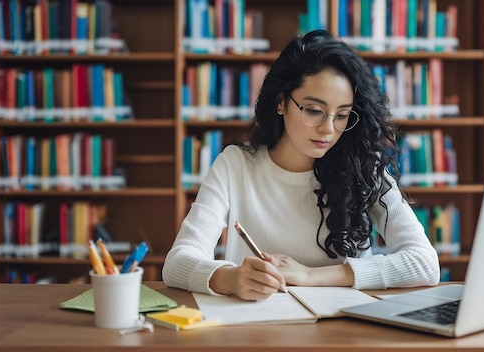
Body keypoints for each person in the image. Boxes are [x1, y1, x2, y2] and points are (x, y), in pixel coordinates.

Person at [162, 29, 440, 301]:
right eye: (314, 111)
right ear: (281, 102)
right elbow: (177, 262)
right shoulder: (235, 166)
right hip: (260, 330)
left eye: (342, 115)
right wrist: (229, 279)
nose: (328, 129)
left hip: (344, 330)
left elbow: (424, 263)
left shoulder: (364, 165)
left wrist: (309, 276)